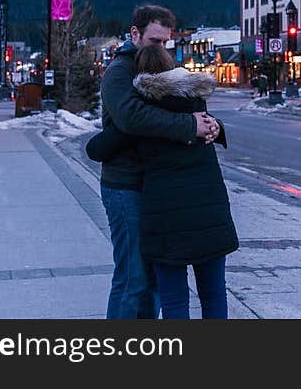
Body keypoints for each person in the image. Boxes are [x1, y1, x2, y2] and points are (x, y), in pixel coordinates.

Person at [88, 44, 236, 319]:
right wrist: (215, 125)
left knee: (174, 298)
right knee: (214, 292)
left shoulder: (146, 114)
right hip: (211, 213)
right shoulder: (198, 106)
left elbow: (95, 149)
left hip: (167, 221)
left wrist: (122, 124)